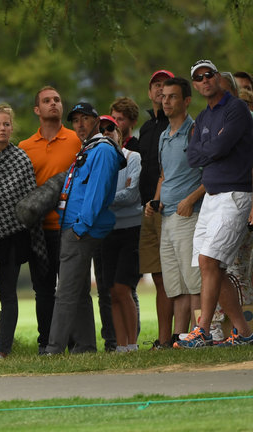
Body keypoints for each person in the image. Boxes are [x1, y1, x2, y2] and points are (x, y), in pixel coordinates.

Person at [177, 59, 253, 348]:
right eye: (199, 77)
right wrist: (213, 149)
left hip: (235, 194)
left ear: (218, 78)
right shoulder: (203, 117)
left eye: (209, 75)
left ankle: (203, 329)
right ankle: (244, 332)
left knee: (210, 261)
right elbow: (192, 157)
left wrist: (211, 149)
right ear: (195, 85)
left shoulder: (236, 109)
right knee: (209, 266)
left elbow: (218, 148)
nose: (205, 80)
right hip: (211, 197)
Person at [45, 103, 125, 355]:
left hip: (80, 228)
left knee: (66, 292)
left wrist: (81, 226)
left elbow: (97, 192)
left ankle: (53, 349)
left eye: (85, 119)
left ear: (96, 122)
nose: (79, 125)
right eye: (75, 120)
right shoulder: (88, 149)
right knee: (78, 291)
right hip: (72, 226)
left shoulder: (101, 150)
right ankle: (85, 347)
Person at [18, 86, 82, 354]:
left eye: (57, 99)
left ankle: (75, 341)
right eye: (46, 101)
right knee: (43, 290)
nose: (53, 104)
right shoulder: (25, 147)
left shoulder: (77, 140)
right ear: (37, 110)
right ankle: (46, 342)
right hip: (39, 231)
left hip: (69, 227)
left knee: (70, 289)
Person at [0, 104, 41, 358]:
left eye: (6, 124)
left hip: (13, 235)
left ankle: (4, 349)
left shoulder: (20, 158)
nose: (2, 128)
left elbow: (27, 199)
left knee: (8, 292)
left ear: (11, 127)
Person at [147, 77, 203, 344]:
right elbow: (164, 175)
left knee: (194, 282)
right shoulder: (163, 136)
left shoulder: (195, 133)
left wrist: (191, 199)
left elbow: (211, 175)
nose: (165, 101)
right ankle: (179, 339)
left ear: (186, 101)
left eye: (172, 97)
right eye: (164, 96)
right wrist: (154, 201)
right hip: (166, 217)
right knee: (175, 286)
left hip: (188, 216)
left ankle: (200, 334)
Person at [129, 69, 174, 349]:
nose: (160, 90)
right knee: (158, 276)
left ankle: (186, 334)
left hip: (171, 207)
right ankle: (164, 338)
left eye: (165, 86)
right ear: (150, 92)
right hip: (147, 210)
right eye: (156, 85)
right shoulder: (146, 128)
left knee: (176, 276)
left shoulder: (178, 125)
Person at [95, 115, 142, 353]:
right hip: (106, 231)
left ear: (119, 132)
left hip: (130, 229)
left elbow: (132, 194)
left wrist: (102, 200)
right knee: (111, 291)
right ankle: (120, 345)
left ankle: (132, 343)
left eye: (110, 128)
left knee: (123, 288)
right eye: (101, 130)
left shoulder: (133, 157)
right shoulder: (96, 161)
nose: (106, 133)